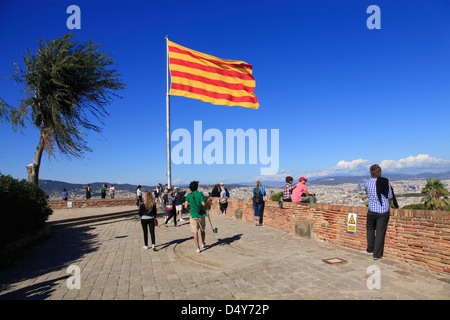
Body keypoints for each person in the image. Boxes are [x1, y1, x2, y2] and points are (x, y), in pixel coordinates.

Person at [364, 164, 398, 260]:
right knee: (380, 232)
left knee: (370, 229)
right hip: (383, 211)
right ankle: (377, 254)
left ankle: (370, 248)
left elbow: (367, 193)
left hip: (372, 210)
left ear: (371, 172)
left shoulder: (367, 183)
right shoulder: (384, 182)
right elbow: (390, 196)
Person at [184, 181, 207, 253]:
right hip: (201, 215)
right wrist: (207, 205)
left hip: (193, 215)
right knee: (202, 229)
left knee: (195, 231)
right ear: (197, 187)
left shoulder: (188, 195)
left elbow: (185, 206)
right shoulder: (200, 194)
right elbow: (203, 204)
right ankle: (203, 242)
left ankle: (198, 248)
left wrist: (190, 210)